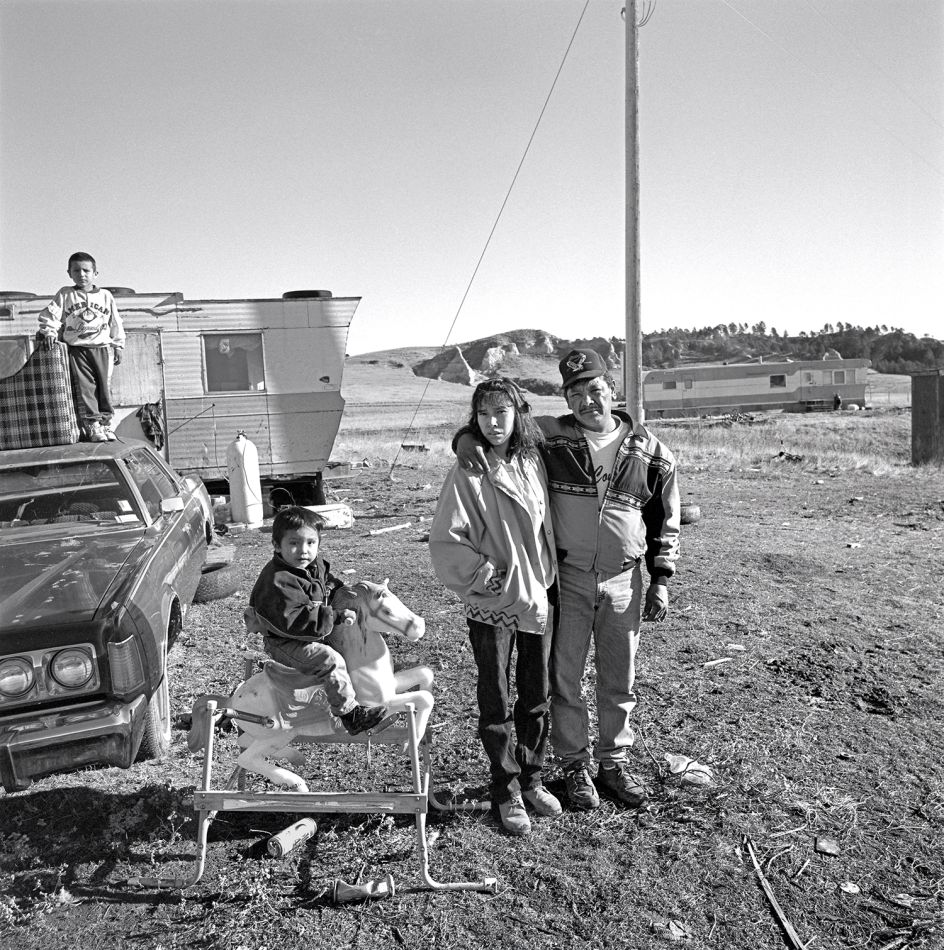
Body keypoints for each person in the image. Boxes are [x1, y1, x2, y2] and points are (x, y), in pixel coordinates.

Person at [454, 348, 680, 811]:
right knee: (565, 677)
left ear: (611, 391)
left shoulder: (652, 451)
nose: (585, 401)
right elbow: (499, 424)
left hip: (624, 580)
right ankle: (575, 767)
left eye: (594, 390)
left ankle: (613, 763)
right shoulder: (552, 437)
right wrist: (465, 440)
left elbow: (665, 519)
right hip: (569, 577)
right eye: (574, 393)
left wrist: (661, 578)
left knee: (620, 678)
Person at [430, 378, 560, 836]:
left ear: (517, 413)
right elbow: (446, 539)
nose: (492, 423)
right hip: (494, 599)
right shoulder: (468, 469)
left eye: (501, 412)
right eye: (483, 415)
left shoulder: (531, 460)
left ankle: (533, 777)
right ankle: (504, 788)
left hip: (538, 591)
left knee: (537, 691)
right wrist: (484, 573)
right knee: (496, 697)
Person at [247, 506, 389, 736]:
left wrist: (342, 593)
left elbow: (328, 583)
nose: (303, 550)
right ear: (276, 545)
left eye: (311, 543)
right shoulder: (277, 581)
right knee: (328, 659)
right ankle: (350, 714)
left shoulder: (314, 566)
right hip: (285, 641)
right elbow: (294, 620)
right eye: (294, 543)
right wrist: (334, 616)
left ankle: (360, 689)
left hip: (312, 630)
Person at [36, 251, 125, 442]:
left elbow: (115, 321)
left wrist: (118, 345)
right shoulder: (66, 294)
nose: (82, 274)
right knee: (86, 387)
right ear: (69, 273)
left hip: (102, 348)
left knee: (104, 386)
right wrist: (49, 332)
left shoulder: (106, 296)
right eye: (76, 270)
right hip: (77, 348)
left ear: (95, 273)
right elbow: (51, 316)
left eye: (86, 270)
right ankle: (93, 426)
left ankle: (106, 424)